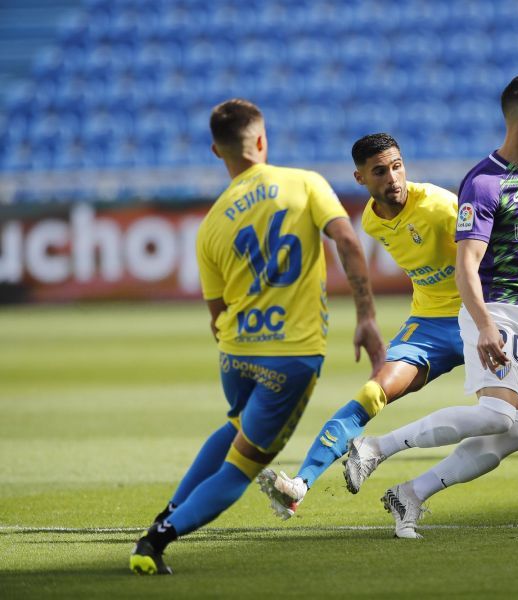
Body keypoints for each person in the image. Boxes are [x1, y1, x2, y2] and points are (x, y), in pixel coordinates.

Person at [346, 75, 518, 539]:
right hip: (502, 308)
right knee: (497, 415)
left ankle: (410, 494)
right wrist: (484, 326)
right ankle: (376, 447)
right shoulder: (483, 183)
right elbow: (466, 266)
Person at [256, 133, 518, 516]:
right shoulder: (372, 220)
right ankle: (299, 485)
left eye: (397, 166)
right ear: (360, 179)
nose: (393, 178)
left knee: (510, 412)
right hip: (431, 324)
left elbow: (502, 241)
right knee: (374, 393)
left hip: (482, 313)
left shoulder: (438, 206)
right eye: (380, 172)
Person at [129, 98, 385, 575]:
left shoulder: (209, 226)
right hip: (291, 357)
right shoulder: (305, 183)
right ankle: (156, 539)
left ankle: (168, 512)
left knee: (236, 425)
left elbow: (216, 313)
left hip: (236, 355)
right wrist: (366, 315)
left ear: (216, 151)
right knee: (242, 466)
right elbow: (347, 241)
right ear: (262, 141)